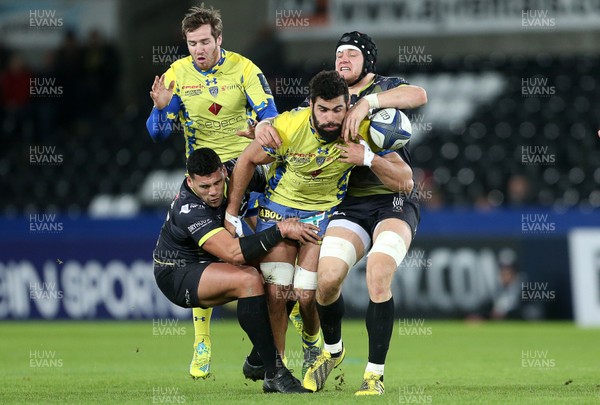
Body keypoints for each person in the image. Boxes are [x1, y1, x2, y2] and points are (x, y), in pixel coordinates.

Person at [256, 32, 427, 395]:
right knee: (326, 280)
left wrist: (368, 104)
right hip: (349, 204)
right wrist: (260, 127)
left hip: (394, 197)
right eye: (338, 55)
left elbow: (419, 95)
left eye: (352, 54)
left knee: (379, 273)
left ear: (368, 61)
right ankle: (332, 350)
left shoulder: (381, 88)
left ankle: (374, 376)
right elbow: (293, 126)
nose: (343, 60)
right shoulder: (330, 99)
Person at [225, 69, 408, 382]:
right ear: (310, 104)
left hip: (322, 215)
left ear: (348, 105)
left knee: (307, 294)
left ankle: (312, 344)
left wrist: (367, 158)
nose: (330, 118)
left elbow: (405, 179)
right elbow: (246, 161)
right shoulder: (286, 127)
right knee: (278, 291)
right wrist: (231, 212)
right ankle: (276, 369)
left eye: (338, 109)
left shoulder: (359, 129)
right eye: (322, 109)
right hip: (278, 212)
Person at [145, 4, 278, 379]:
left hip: (247, 173)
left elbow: (272, 115)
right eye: (192, 43)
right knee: (201, 254)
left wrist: (261, 127)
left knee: (266, 256)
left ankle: (285, 336)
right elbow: (157, 133)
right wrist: (159, 110)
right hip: (204, 180)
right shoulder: (176, 75)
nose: (199, 49)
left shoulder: (245, 69)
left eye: (205, 41)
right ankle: (202, 342)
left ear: (219, 39)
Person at [153, 147, 317, 393]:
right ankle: (275, 374)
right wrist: (280, 230)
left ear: (223, 171)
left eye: (217, 183)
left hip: (214, 261)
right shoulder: (189, 209)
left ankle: (258, 360)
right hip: (178, 271)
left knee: (280, 280)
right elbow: (233, 253)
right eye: (204, 187)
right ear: (190, 182)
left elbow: (275, 174)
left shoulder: (239, 173)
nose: (214, 192)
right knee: (248, 280)